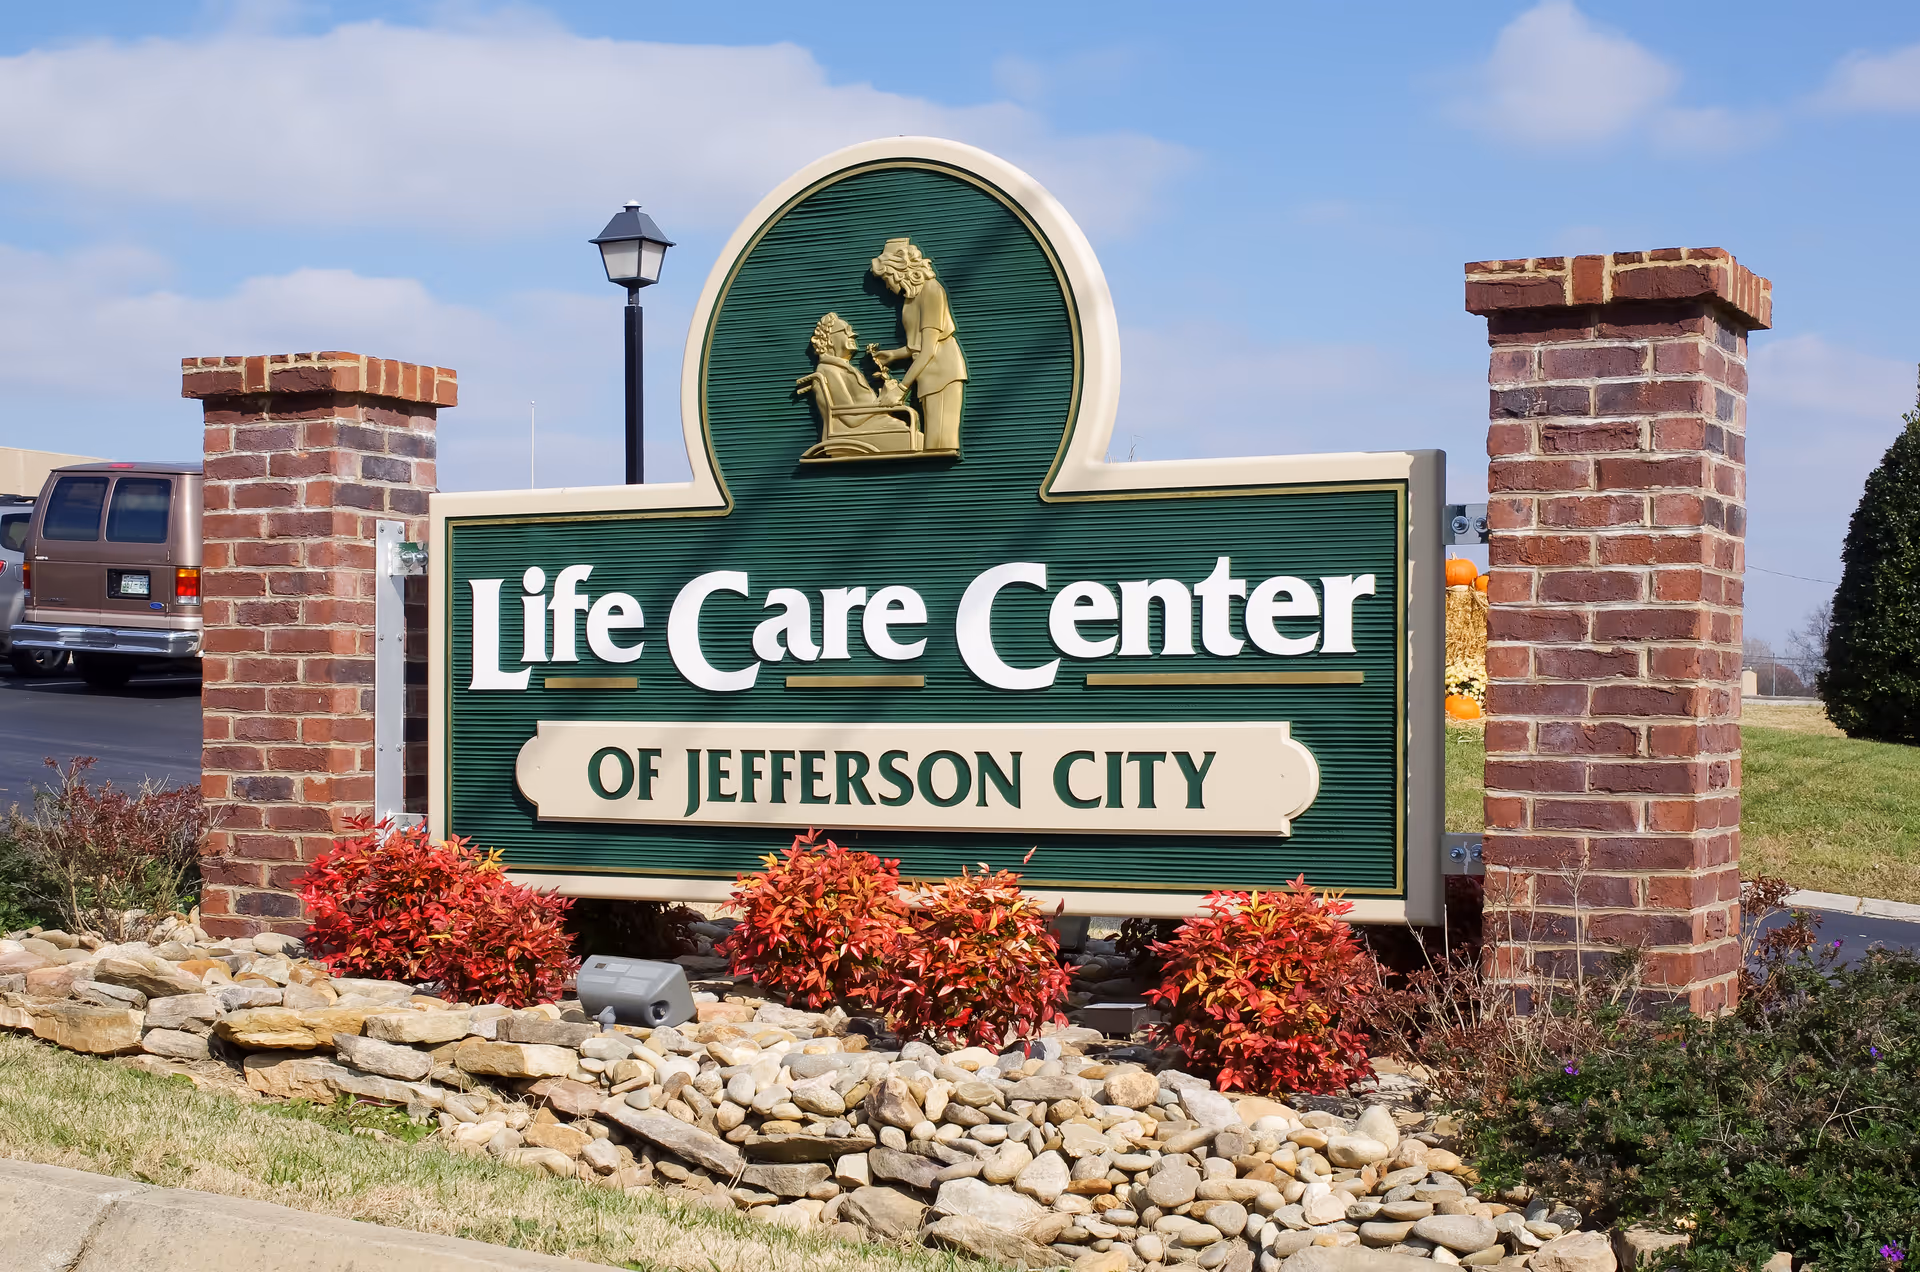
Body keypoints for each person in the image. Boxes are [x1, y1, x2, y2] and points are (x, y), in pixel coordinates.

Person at [868, 238, 966, 453]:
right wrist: (893, 355)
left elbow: (929, 349)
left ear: (898, 271)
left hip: (943, 374)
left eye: (886, 278)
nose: (886, 284)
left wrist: (901, 389)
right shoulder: (911, 297)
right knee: (933, 443)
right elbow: (918, 346)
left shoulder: (931, 291)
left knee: (941, 445)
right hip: (927, 374)